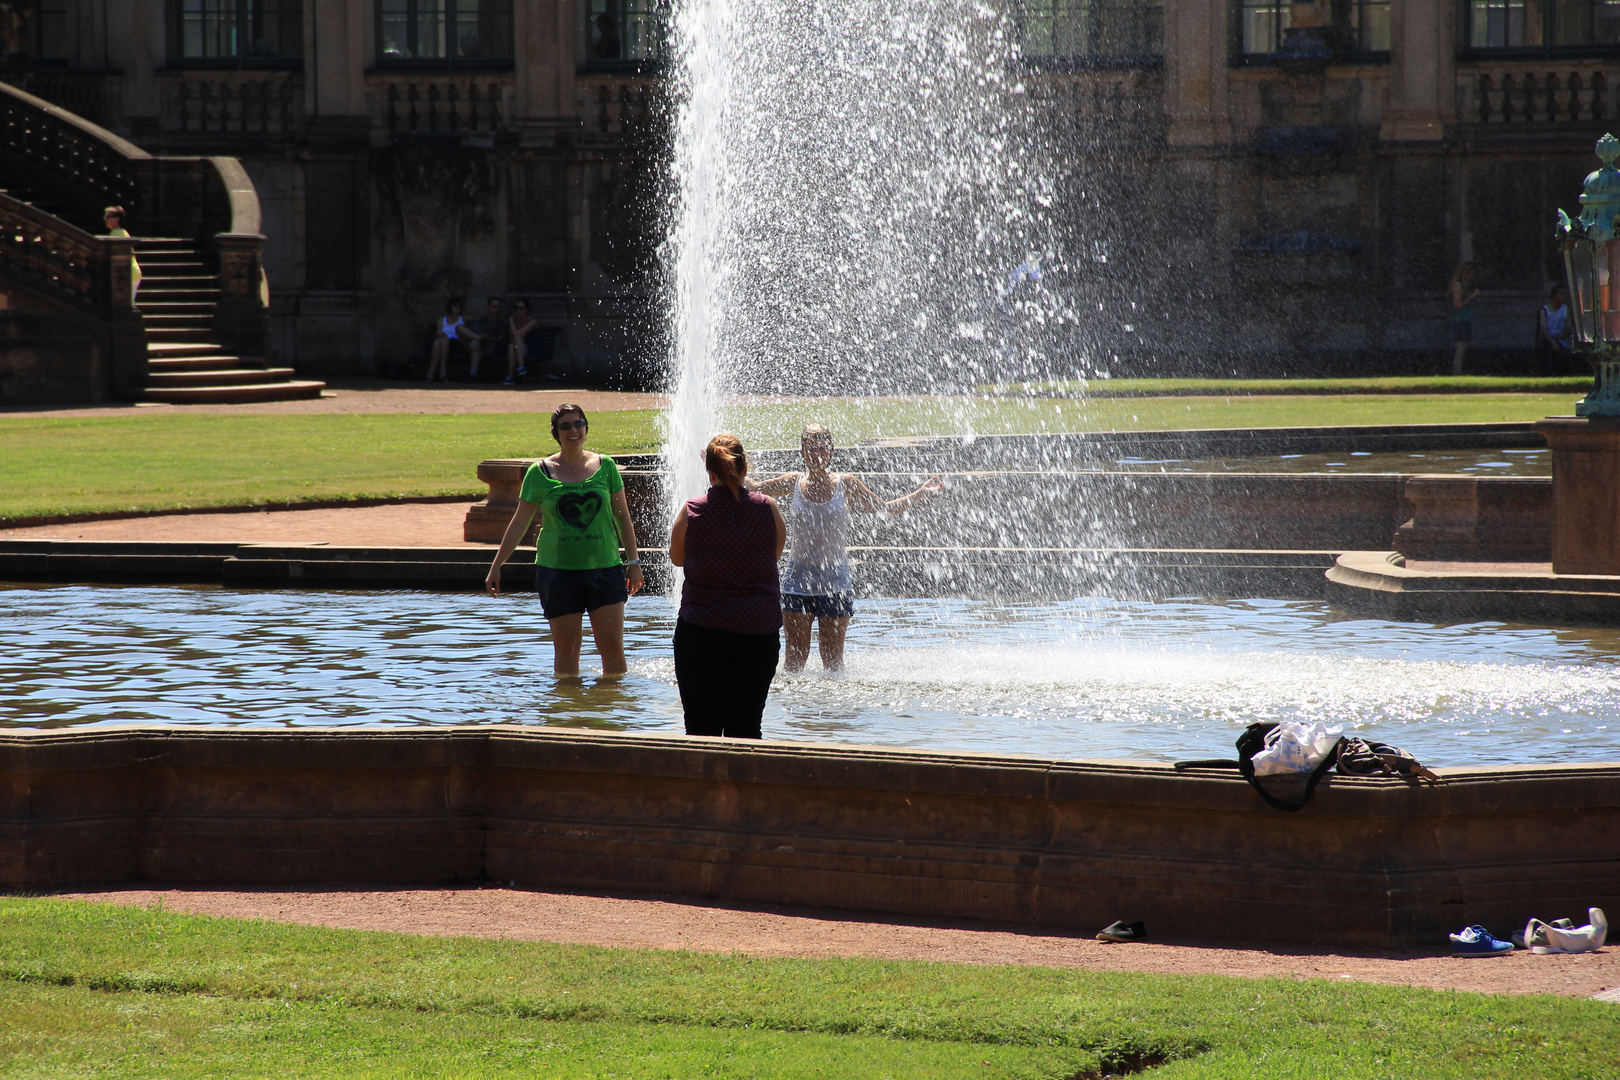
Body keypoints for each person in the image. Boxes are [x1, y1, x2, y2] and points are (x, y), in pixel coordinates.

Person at [750, 425, 942, 673]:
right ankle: (797, 712)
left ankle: (833, 712)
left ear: (830, 452)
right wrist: (719, 465)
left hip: (835, 583)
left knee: (833, 666)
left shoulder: (846, 484)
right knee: (793, 666)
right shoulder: (793, 482)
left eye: (822, 449)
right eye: (810, 449)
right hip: (797, 582)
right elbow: (753, 489)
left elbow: (884, 508)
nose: (816, 454)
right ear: (803, 452)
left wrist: (918, 493)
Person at [485, 404, 644, 676]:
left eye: (578, 424)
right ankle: (567, 712)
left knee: (612, 647)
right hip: (558, 573)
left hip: (604, 568)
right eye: (566, 426)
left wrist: (634, 561)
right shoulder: (540, 472)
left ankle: (616, 712)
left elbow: (623, 518)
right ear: (556, 433)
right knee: (568, 647)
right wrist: (497, 564)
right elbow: (520, 522)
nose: (573, 430)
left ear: (586, 428)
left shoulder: (606, 467)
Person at [668, 433, 787, 738]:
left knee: (700, 730)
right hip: (757, 634)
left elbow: (677, 558)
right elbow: (773, 555)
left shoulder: (692, 510)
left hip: (701, 633)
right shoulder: (768, 508)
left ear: (709, 472)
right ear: (744, 468)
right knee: (746, 730)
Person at [428, 299, 479, 383]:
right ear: (450, 307)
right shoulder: (442, 320)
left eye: (460, 306)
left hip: (456, 345)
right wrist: (443, 335)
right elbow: (438, 333)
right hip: (442, 343)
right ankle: (435, 373)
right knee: (438, 343)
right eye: (455, 305)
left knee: (444, 340)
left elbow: (476, 318)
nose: (458, 307)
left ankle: (438, 372)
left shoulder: (463, 319)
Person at [1449, 262, 1480, 376]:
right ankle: (1456, 373)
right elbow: (1457, 305)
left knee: (1463, 349)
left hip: (1465, 320)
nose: (1472, 276)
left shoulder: (1464, 285)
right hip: (1460, 321)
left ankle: (1459, 372)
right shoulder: (1458, 285)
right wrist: (1471, 297)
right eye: (1471, 273)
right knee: (1460, 350)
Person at [103, 206, 140, 301]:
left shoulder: (117, 233)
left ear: (117, 219)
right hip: (131, 273)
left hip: (127, 273)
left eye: (108, 216)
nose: (105, 218)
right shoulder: (120, 232)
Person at [469, 296, 508, 381]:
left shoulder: (501, 323)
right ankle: (472, 373)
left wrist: (487, 338)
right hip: (477, 345)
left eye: (498, 307)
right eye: (494, 306)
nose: (497, 309)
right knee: (475, 342)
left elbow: (501, 339)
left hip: (492, 347)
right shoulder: (481, 321)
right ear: (488, 307)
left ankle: (472, 373)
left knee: (476, 343)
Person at [1537, 284, 1572, 375]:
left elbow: (1568, 329)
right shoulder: (1544, 310)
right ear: (1554, 296)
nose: (1563, 297)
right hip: (1548, 339)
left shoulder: (1566, 309)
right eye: (1561, 294)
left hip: (1561, 339)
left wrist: (1558, 339)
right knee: (1547, 352)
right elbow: (1543, 330)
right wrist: (1552, 342)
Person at [507, 298, 537, 385]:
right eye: (516, 308)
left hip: (531, 347)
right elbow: (512, 338)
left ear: (526, 310)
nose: (518, 310)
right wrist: (511, 321)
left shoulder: (532, 321)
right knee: (511, 346)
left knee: (518, 339)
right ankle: (510, 376)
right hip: (518, 347)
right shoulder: (514, 321)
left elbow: (517, 334)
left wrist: (511, 322)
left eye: (521, 308)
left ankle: (521, 366)